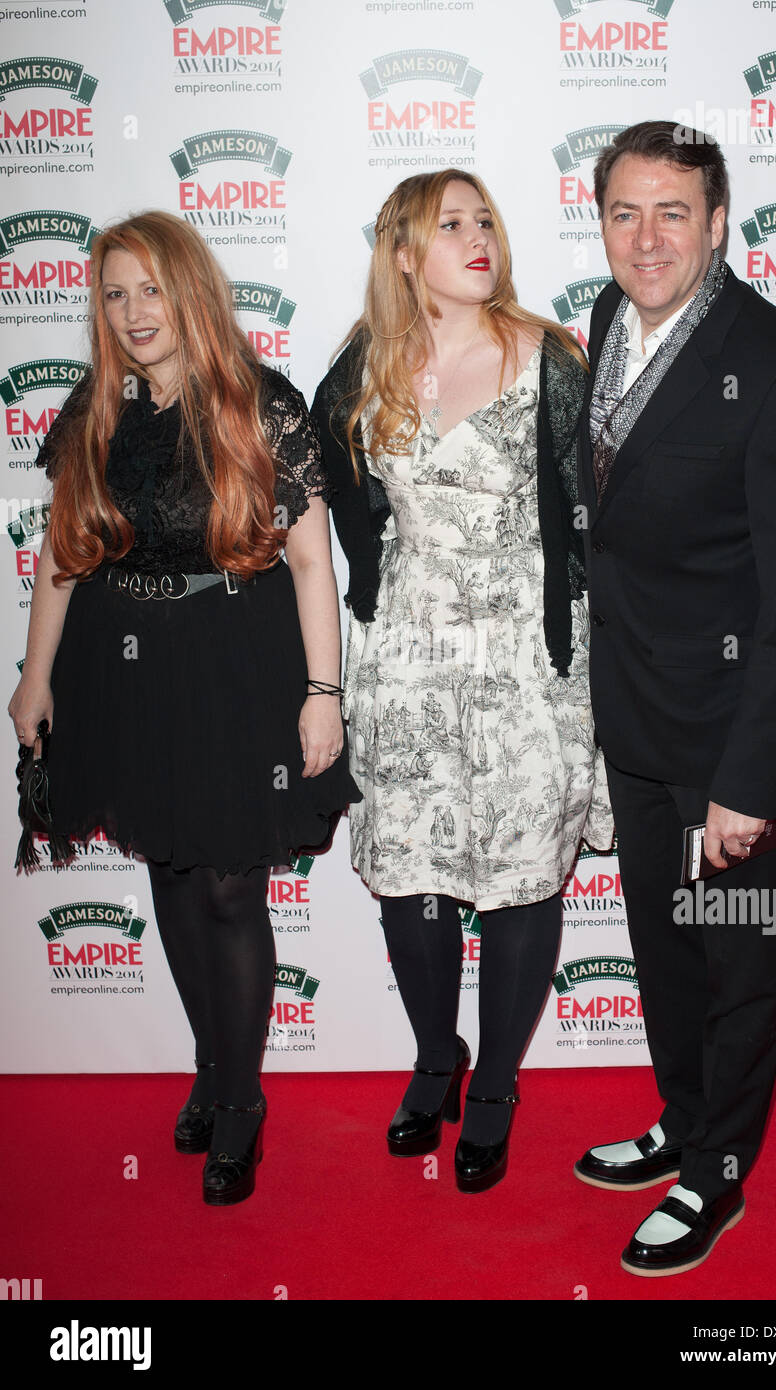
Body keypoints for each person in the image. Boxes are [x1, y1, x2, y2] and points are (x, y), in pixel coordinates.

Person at [8, 211, 358, 1205]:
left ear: (189, 291)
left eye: (151, 289)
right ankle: (212, 1062)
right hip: (123, 667)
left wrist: (322, 692)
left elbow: (306, 560)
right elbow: (64, 555)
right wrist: (35, 678)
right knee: (166, 861)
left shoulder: (259, 404)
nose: (133, 311)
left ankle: (242, 1103)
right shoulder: (95, 411)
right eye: (114, 294)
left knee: (230, 888)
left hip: (238, 658)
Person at [573, 122, 776, 1274]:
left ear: (719, 221)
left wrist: (747, 781)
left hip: (734, 740)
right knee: (662, 946)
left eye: (672, 212)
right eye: (624, 212)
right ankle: (683, 1124)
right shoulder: (601, 321)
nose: (646, 238)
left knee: (733, 961)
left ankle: (717, 1179)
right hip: (637, 724)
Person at [312, 169, 613, 1193]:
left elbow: (589, 515)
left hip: (527, 659)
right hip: (406, 661)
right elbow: (344, 503)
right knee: (412, 873)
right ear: (404, 252)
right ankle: (434, 1056)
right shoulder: (366, 367)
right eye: (450, 226)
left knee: (523, 871)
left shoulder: (550, 358)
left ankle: (494, 1085)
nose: (476, 238)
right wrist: (385, 597)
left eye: (484, 220)